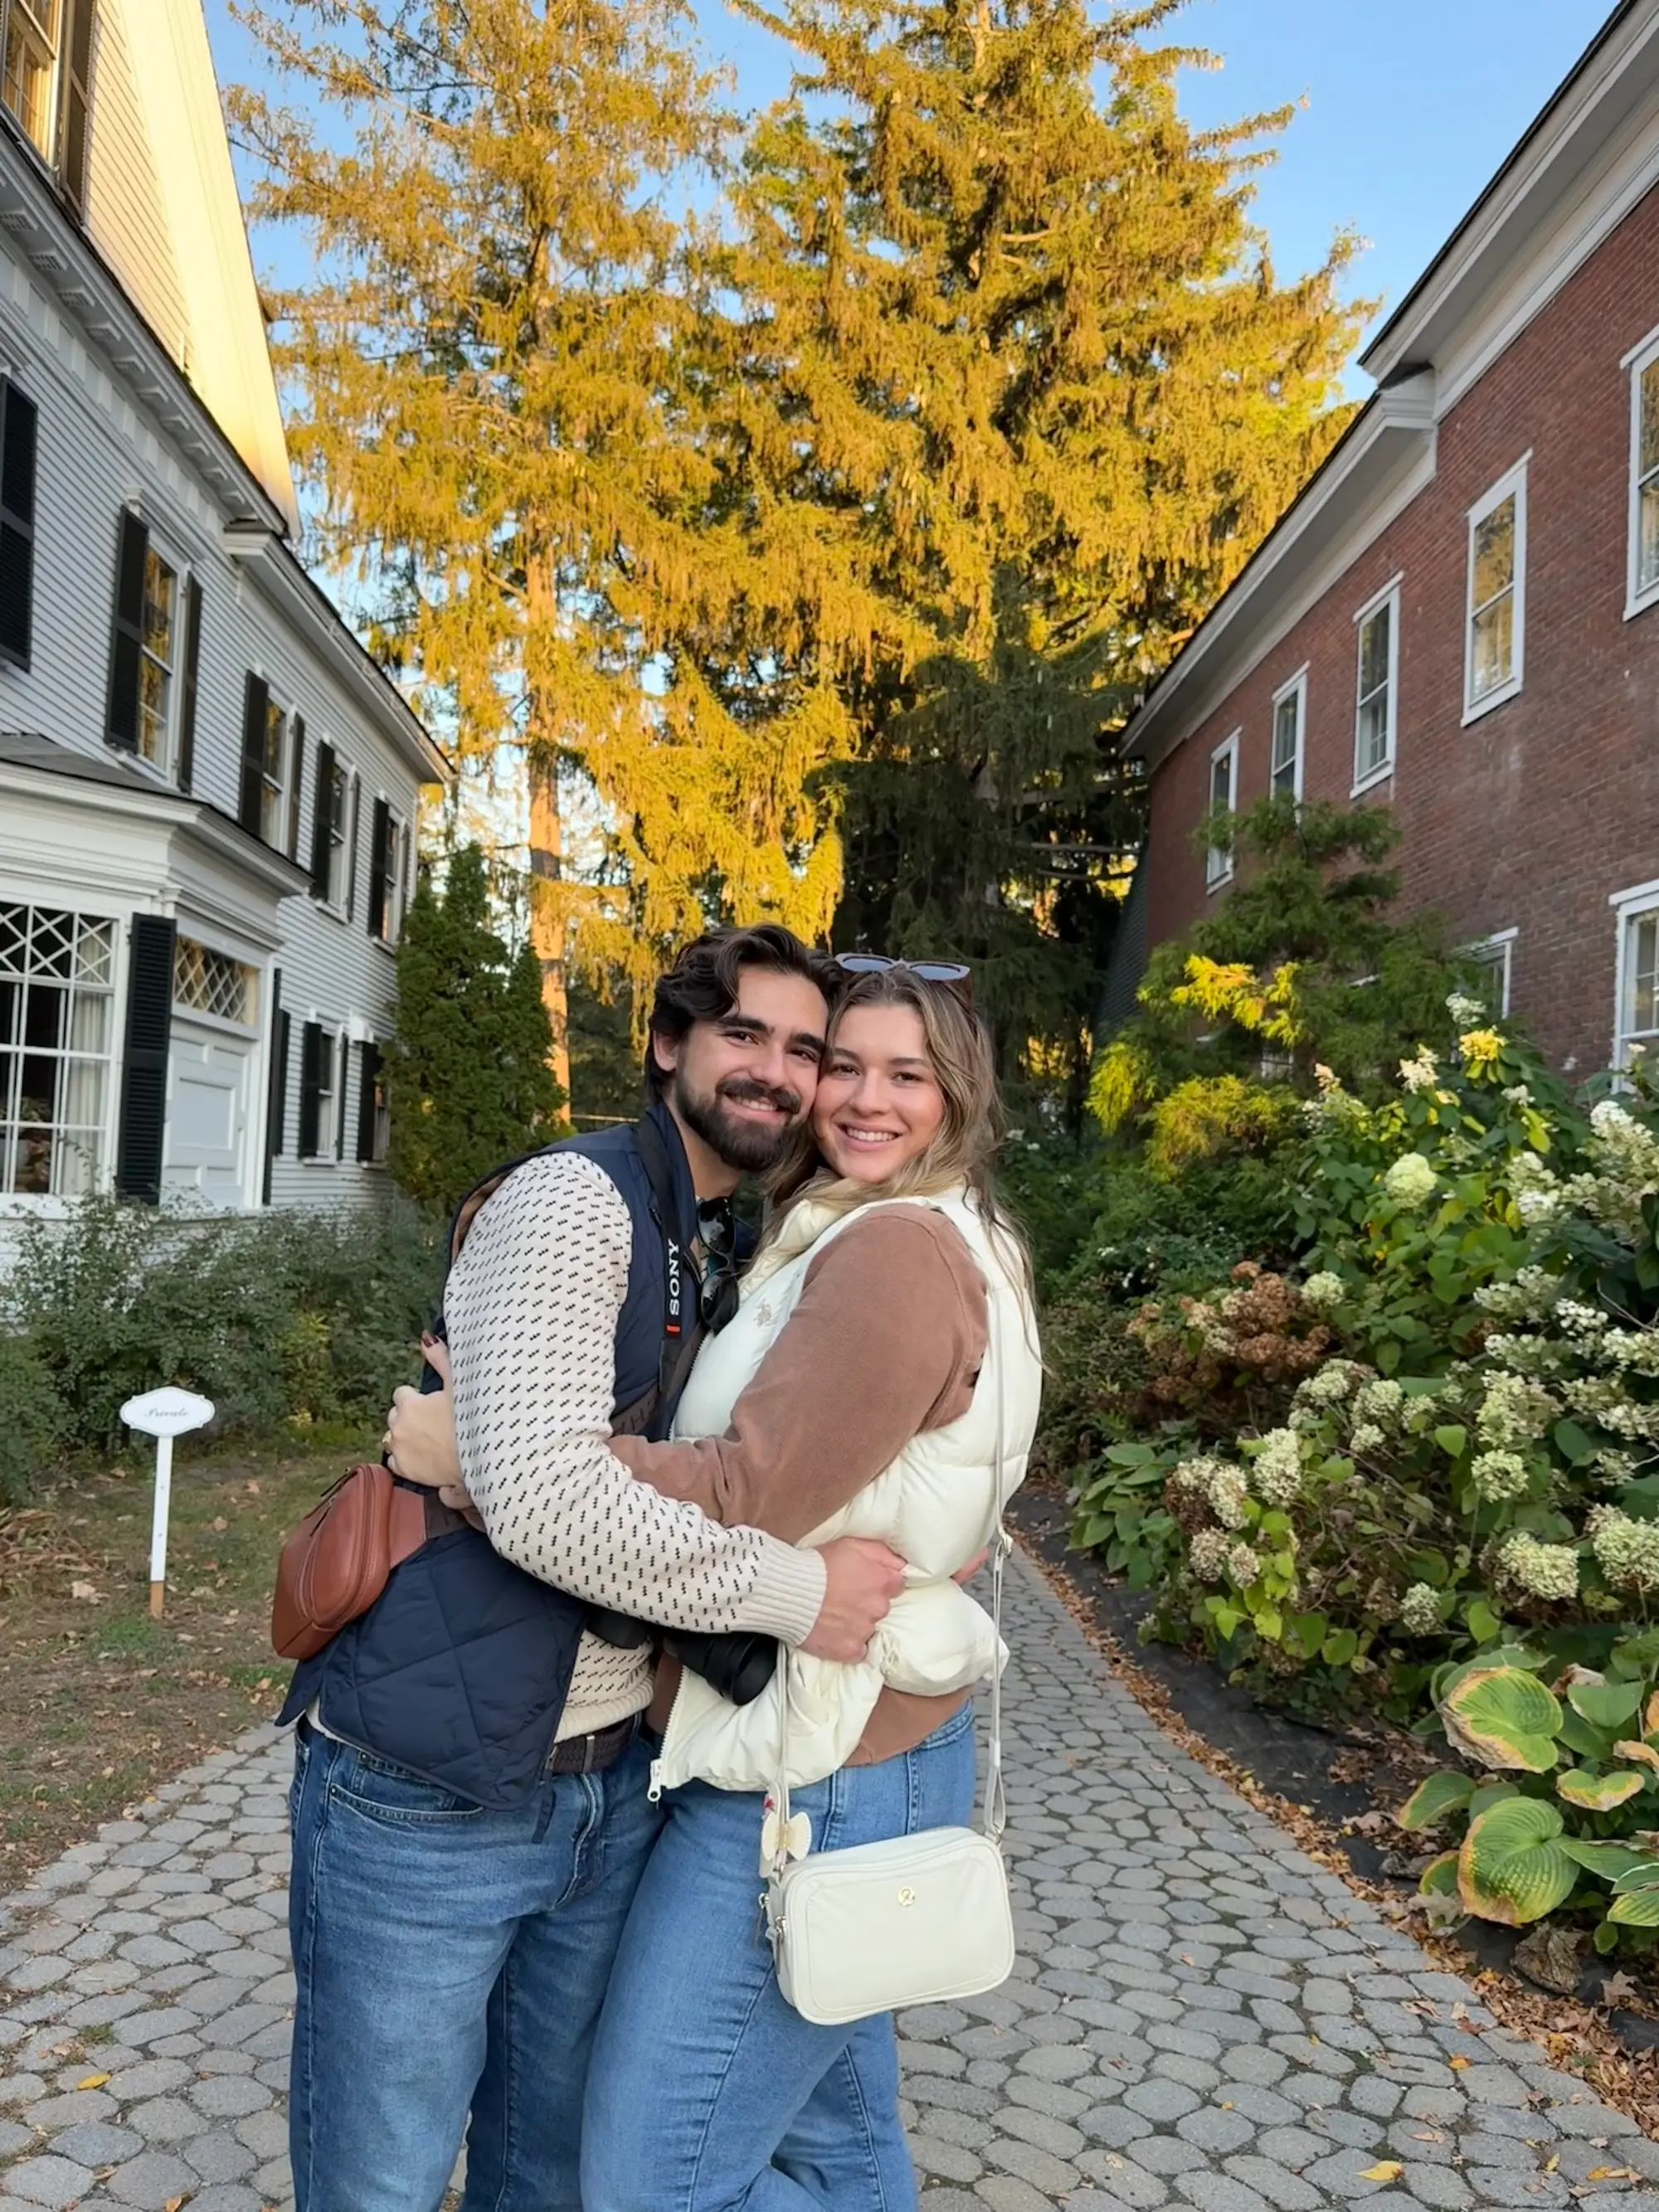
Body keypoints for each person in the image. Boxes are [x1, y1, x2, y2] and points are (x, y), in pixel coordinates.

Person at [281, 925, 909, 2212]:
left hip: (604, 1780)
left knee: (547, 2171)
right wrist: (801, 1596)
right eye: (745, 1034)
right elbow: (557, 1506)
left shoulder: (716, 1234)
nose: (777, 1074)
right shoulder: (580, 1200)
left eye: (804, 1050)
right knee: (383, 2176)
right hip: (432, 1792)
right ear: (671, 1042)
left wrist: (488, 1460)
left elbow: (564, 1472)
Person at [400, 959, 1044, 2211]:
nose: (861, 1098)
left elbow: (751, 1490)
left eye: (904, 1075)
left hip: (809, 1762)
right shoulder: (935, 1226)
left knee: (651, 2175)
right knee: (834, 2141)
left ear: (956, 1093)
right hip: (869, 1735)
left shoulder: (897, 1251)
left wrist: (488, 1454)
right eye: (839, 1065)